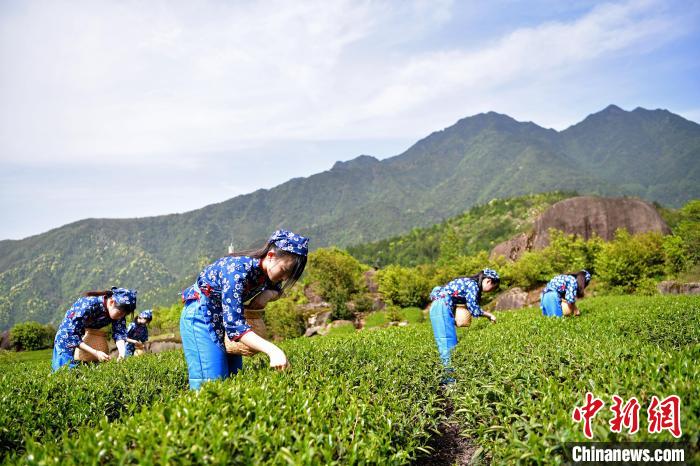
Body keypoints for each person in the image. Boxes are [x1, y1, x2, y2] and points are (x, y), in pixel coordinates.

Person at [180, 229, 308, 390]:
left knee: (234, 379)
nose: (284, 278)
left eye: (290, 276)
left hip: (224, 317)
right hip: (201, 316)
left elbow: (278, 291)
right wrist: (273, 351)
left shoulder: (268, 273)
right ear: (270, 256)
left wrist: (267, 294)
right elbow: (235, 326)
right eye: (284, 272)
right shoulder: (237, 272)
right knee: (211, 383)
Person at [428, 269, 500, 376]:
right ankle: (450, 382)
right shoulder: (473, 285)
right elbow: (474, 308)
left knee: (444, 344)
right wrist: (489, 315)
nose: (490, 291)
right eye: (492, 288)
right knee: (448, 346)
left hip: (438, 307)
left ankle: (448, 379)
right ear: (488, 281)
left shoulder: (467, 282)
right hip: (442, 307)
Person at [52, 287, 137, 371]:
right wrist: (96, 353)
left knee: (86, 373)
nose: (122, 316)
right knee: (64, 371)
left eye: (125, 314)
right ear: (111, 302)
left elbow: (120, 334)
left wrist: (122, 355)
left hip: (86, 340)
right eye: (121, 313)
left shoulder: (118, 312)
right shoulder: (88, 304)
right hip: (66, 339)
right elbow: (71, 334)